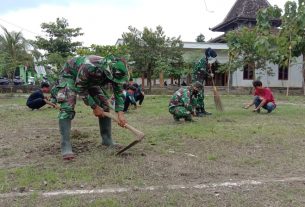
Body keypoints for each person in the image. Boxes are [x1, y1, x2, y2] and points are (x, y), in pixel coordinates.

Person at [50, 55, 129, 160]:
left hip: (89, 80)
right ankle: (66, 144)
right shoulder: (89, 67)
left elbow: (118, 93)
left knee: (104, 105)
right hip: (70, 76)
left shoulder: (118, 71)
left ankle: (107, 139)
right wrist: (94, 107)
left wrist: (120, 113)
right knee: (68, 107)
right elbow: (80, 88)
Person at [191, 48, 217, 116]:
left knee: (201, 95)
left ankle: (202, 110)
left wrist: (209, 72)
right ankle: (197, 111)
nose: (213, 58)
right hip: (197, 80)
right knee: (198, 95)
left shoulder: (206, 61)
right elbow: (202, 70)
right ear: (209, 55)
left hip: (201, 80)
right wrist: (209, 74)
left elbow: (204, 71)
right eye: (213, 57)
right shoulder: (203, 60)